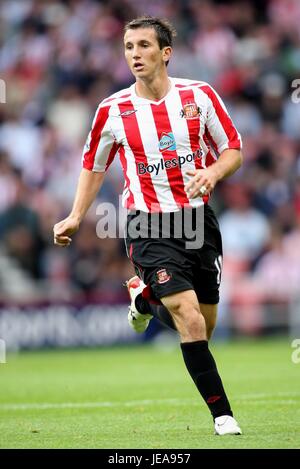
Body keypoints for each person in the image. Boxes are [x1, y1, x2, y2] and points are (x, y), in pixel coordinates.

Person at [53, 16, 243, 436]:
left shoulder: (200, 95)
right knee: (189, 318)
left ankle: (143, 302)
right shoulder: (113, 110)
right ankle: (223, 416)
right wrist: (76, 216)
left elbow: (233, 149)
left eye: (143, 45)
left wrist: (213, 172)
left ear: (165, 53)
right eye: (128, 47)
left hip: (197, 221)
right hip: (146, 223)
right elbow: (93, 166)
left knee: (202, 325)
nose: (134, 54)